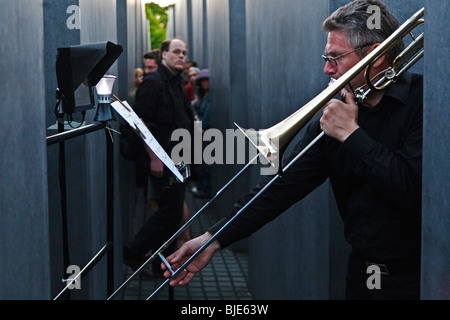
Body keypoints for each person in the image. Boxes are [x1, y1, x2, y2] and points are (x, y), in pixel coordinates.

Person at [162, 0, 423, 300]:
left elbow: (412, 188)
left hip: (417, 279)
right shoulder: (334, 114)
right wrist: (213, 238)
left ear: (376, 56)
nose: (326, 69)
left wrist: (351, 135)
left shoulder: (424, 102)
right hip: (362, 275)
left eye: (335, 58)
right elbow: (281, 187)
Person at [123, 38, 195, 276]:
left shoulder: (177, 82)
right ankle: (134, 252)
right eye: (176, 51)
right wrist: (154, 158)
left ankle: (161, 264)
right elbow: (140, 123)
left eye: (184, 52)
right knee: (169, 213)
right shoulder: (153, 83)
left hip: (179, 159)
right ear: (163, 55)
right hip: (163, 161)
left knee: (172, 214)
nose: (181, 56)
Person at [191, 69, 212, 198]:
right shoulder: (202, 95)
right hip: (200, 131)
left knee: (206, 162)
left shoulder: (210, 97)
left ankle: (205, 190)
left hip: (207, 132)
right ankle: (202, 187)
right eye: (202, 80)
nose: (204, 83)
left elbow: (207, 117)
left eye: (207, 80)